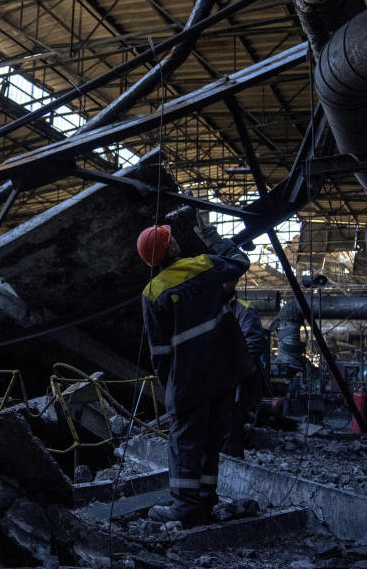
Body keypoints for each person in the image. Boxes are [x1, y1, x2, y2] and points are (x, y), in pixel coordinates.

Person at [137, 219, 253, 527]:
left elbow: (159, 352)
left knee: (185, 442)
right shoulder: (205, 265)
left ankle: (186, 507)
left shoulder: (152, 292)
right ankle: (204, 500)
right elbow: (241, 261)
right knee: (212, 438)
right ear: (171, 247)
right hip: (225, 372)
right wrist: (208, 234)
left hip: (189, 379)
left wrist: (170, 384)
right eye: (171, 239)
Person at [221, 277, 270, 458]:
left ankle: (232, 463)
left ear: (233, 283)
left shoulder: (243, 310)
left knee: (231, 428)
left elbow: (253, 345)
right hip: (216, 381)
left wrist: (232, 373)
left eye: (224, 280)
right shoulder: (210, 307)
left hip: (235, 384)